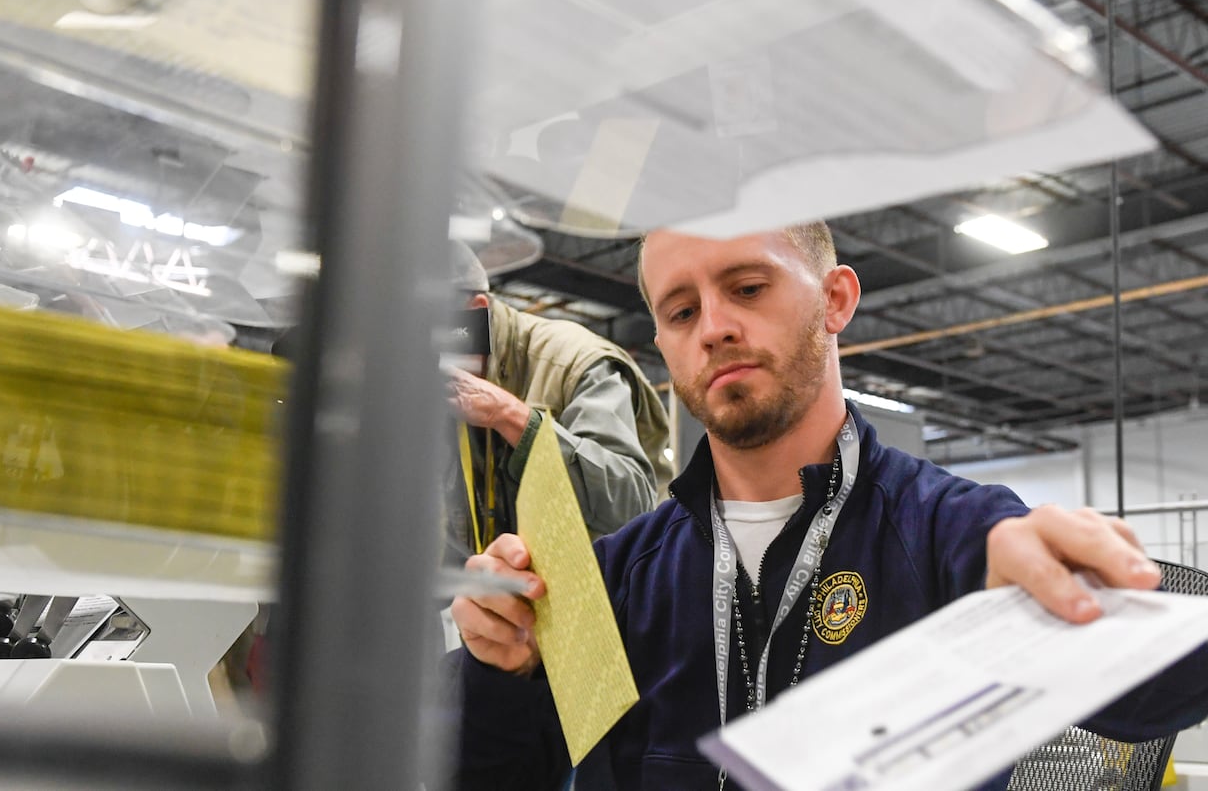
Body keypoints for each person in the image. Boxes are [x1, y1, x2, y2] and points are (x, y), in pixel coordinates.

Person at [448, 223, 1208, 790]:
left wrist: (1081, 607)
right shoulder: (611, 577)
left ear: (836, 299)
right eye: (682, 313)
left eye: (747, 288)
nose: (714, 327)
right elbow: (501, 773)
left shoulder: (955, 533)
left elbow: (1163, 699)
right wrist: (500, 666)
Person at [441, 240, 672, 561]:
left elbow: (632, 503)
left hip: (609, 595)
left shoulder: (575, 361)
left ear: (475, 311)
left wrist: (510, 417)